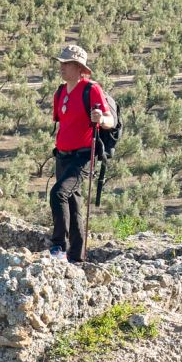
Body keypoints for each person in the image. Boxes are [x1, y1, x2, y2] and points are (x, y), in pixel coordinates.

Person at [47, 43, 114, 264]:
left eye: (66, 63)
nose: (62, 67)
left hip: (82, 156)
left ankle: (58, 247)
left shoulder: (91, 89)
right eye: (61, 63)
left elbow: (109, 121)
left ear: (78, 67)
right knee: (74, 203)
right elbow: (63, 122)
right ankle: (76, 258)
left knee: (58, 194)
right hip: (62, 155)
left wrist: (101, 119)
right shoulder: (60, 92)